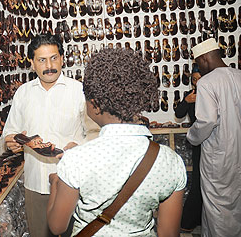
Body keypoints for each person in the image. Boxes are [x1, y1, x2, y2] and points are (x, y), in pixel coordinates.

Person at [47, 48, 187, 236]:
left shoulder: (75, 160)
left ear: (95, 105)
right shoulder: (170, 161)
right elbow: (169, 234)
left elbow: (57, 226)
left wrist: (55, 182)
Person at [2, 33, 88, 237]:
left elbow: (94, 133)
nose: (49, 65)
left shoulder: (80, 91)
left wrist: (78, 145)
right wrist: (12, 142)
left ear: (62, 58)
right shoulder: (23, 93)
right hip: (36, 183)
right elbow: (10, 132)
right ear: (32, 63)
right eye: (42, 60)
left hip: (72, 182)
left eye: (54, 58)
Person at [187, 38, 241, 237]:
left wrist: (191, 136)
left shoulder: (207, 82)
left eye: (198, 62)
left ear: (204, 59)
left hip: (219, 155)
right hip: (238, 153)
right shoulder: (239, 76)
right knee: (236, 202)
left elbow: (207, 121)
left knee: (216, 205)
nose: (199, 67)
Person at [174, 64, 202, 232]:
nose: (197, 82)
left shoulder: (212, 93)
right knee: (198, 181)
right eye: (194, 79)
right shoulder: (190, 94)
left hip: (214, 140)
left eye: (199, 79)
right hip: (198, 142)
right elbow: (178, 114)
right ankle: (188, 222)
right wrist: (186, 101)